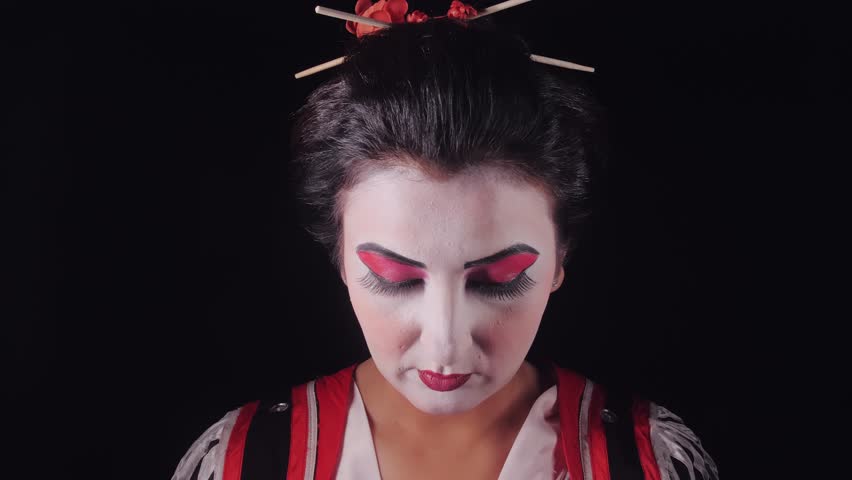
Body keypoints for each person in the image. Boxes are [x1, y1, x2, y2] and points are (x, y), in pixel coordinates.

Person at [171, 13, 718, 480]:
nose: (446, 341)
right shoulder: (250, 460)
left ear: (560, 258)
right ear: (339, 254)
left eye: (499, 280)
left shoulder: (642, 461)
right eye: (394, 278)